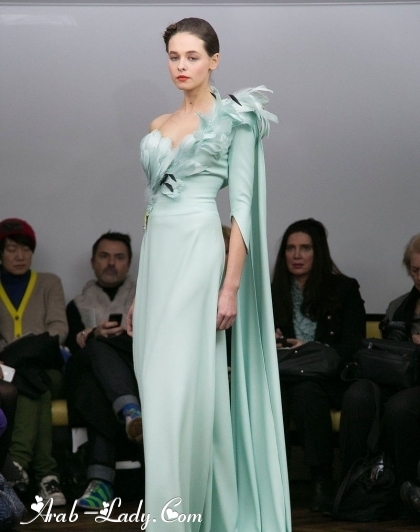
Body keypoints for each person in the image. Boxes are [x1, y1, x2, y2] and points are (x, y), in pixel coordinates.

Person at [127, 17, 291, 532]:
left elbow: (242, 210)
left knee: (178, 391)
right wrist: (139, 293)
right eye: (174, 57)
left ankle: (172, 521)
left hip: (200, 253)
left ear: (214, 60)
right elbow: (152, 210)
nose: (181, 66)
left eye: (192, 56)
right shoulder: (159, 123)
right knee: (160, 394)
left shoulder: (235, 119)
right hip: (158, 260)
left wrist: (230, 286)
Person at [271, 218, 366, 512]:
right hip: (284, 374)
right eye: (290, 248)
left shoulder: (344, 289)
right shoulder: (270, 291)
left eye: (305, 248)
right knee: (279, 392)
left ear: (318, 252)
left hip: (328, 378)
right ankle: (273, 483)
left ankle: (321, 479)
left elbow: (354, 345)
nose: (297, 255)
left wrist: (312, 349)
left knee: (306, 391)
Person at [340, 233, 420, 515]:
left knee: (400, 407)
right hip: (397, 379)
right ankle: (351, 487)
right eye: (415, 270)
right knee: (358, 394)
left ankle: (404, 489)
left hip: (412, 389)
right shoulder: (398, 307)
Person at [64, 231, 140, 509]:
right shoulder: (76, 305)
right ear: (93, 261)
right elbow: (69, 352)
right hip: (88, 376)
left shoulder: (146, 299)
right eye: (104, 256)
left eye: (119, 257)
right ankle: (130, 412)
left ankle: (100, 482)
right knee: (94, 353)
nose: (111, 263)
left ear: (129, 263)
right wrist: (93, 334)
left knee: (96, 373)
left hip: (132, 372)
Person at [0, 218, 67, 505]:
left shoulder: (49, 282)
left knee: (30, 377)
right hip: (7, 371)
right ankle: (48, 478)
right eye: (11, 249)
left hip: (47, 367)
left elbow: (59, 329)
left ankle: (17, 461)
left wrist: (25, 351)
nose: (19, 256)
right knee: (34, 383)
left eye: (26, 249)